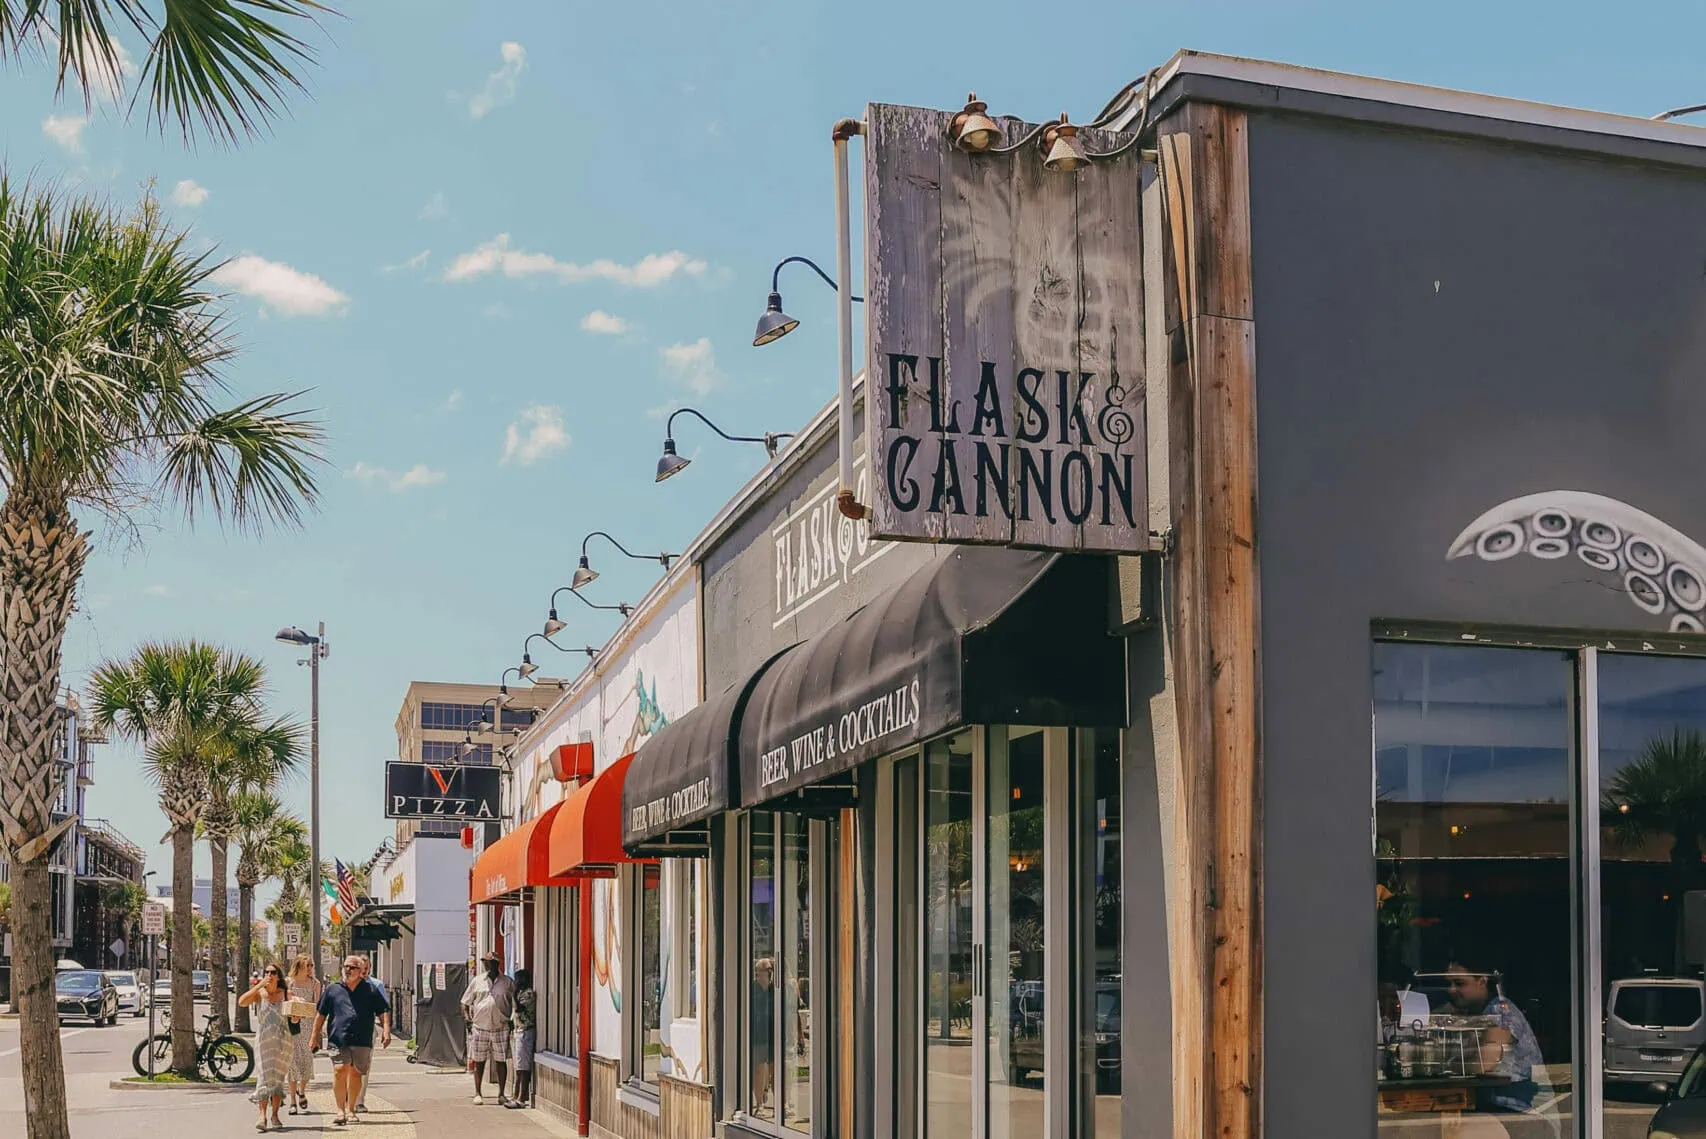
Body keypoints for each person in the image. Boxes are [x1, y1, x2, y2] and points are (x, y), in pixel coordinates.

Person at [1444, 961, 1557, 1136]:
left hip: (1525, 1115)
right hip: (1500, 1110)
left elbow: (1485, 1062)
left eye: (1459, 983)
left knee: (1460, 1131)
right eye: (1449, 984)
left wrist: (1445, 1066)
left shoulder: (1501, 1011)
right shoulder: (1476, 1014)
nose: (1451, 990)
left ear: (1482, 981)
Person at [311, 954, 392, 1126]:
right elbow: (321, 1014)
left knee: (356, 1073)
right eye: (346, 966)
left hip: (362, 1038)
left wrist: (386, 1030)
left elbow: (383, 1010)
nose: (348, 970)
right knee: (339, 1070)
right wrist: (314, 1036)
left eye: (352, 967)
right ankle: (340, 1110)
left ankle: (351, 1109)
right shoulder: (333, 989)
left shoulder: (370, 989)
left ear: (361, 971)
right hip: (338, 1037)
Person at [239, 964, 291, 1132]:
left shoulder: (285, 994)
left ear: (278, 976)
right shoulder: (260, 994)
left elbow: (296, 1009)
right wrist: (259, 985)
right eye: (267, 972)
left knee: (277, 1079)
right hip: (263, 1040)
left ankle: (275, 1115)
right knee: (263, 1077)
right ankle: (262, 1115)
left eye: (273, 972)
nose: (270, 975)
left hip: (283, 1040)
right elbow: (242, 1002)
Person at [461, 951, 516, 1106]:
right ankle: (478, 1093)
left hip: (500, 1025)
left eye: (490, 962)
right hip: (480, 1026)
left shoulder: (507, 982)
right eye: (485, 962)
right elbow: (465, 1002)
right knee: (479, 1060)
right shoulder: (477, 981)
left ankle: (501, 1093)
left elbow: (514, 1003)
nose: (487, 965)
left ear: (497, 964)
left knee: (501, 1060)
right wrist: (468, 1019)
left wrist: (512, 1020)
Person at [353, 956, 391, 1113]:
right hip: (349, 1029)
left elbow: (383, 1009)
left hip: (368, 1029)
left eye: (367, 966)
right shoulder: (348, 985)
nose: (364, 969)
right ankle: (349, 1098)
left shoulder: (376, 985)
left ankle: (359, 1100)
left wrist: (386, 1030)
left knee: (364, 1066)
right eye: (361, 966)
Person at [286, 955, 321, 1115]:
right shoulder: (289, 982)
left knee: (307, 1062)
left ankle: (302, 1090)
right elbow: (285, 1000)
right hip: (293, 1026)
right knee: (292, 1064)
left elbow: (318, 1006)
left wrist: (318, 1031)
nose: (310, 968)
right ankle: (292, 1100)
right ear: (299, 966)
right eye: (307, 965)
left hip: (308, 1026)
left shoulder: (315, 984)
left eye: (311, 965)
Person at [750, 958, 776, 1117]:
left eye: (770, 969)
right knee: (759, 1069)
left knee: (774, 1069)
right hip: (758, 1035)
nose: (769, 973)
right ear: (758, 972)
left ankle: (781, 1104)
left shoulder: (775, 989)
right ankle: (759, 1104)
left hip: (774, 1034)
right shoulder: (752, 989)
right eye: (767, 969)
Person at [509, 968, 537, 1109]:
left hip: (526, 1031)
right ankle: (515, 1095)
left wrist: (514, 996)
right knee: (518, 1066)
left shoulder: (528, 994)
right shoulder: (519, 993)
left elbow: (520, 1009)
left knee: (523, 1066)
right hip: (518, 1030)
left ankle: (521, 1098)